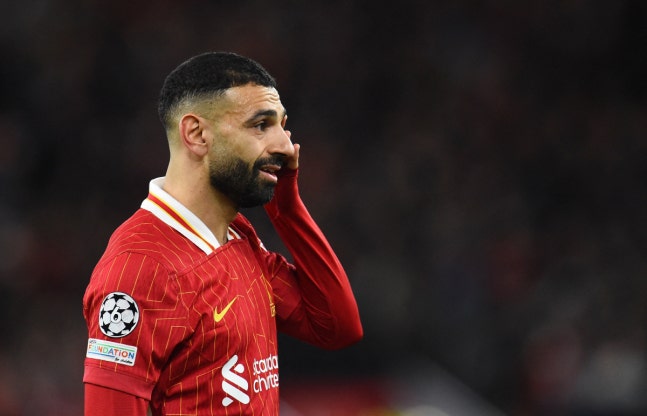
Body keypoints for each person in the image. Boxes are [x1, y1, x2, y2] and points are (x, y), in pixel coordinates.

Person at [82, 51, 363, 415]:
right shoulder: (140, 268)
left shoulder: (238, 237)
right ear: (196, 134)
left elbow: (337, 327)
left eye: (281, 125)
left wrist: (287, 207)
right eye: (260, 125)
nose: (284, 146)